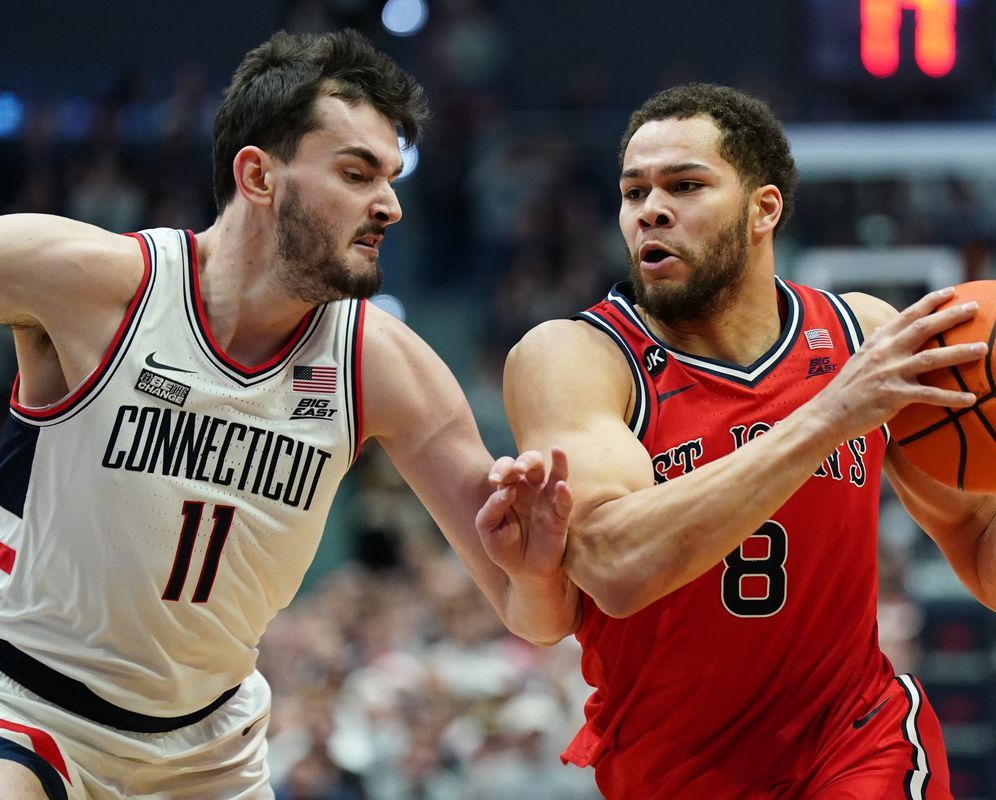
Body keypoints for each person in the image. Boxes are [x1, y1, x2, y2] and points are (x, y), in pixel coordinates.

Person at [483, 83, 996, 798]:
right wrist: (829, 417)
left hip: (851, 739)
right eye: (634, 193)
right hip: (671, 770)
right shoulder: (576, 357)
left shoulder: (864, 338)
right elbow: (614, 563)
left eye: (686, 185)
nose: (651, 210)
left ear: (764, 208)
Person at [0, 29, 575, 800]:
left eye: (393, 177)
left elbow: (530, 614)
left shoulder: (383, 365)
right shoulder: (92, 283)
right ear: (258, 176)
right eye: (356, 172)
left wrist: (534, 567)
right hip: (29, 702)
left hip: (210, 749)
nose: (390, 205)